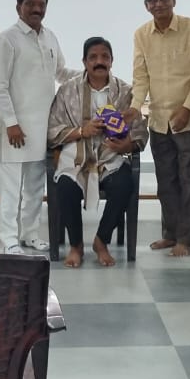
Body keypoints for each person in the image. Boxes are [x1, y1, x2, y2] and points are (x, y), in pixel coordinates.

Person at [127, 0, 190, 258]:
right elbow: (141, 77)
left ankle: (185, 240)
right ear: (146, 6)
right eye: (153, 0)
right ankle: (170, 234)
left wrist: (188, 107)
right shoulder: (142, 34)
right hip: (158, 120)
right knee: (166, 181)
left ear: (174, 0)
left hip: (187, 120)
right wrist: (136, 106)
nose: (159, 4)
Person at [48, 37, 148, 268]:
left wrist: (128, 146)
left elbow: (140, 131)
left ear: (112, 61)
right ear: (84, 61)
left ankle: (101, 241)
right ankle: (76, 245)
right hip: (76, 156)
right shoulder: (67, 90)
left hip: (109, 157)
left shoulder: (125, 92)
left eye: (104, 56)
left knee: (124, 185)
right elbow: (53, 129)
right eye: (93, 57)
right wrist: (82, 130)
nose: (99, 62)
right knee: (65, 187)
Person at [0, 0, 75, 254]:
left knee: (35, 189)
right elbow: (0, 86)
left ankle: (29, 235)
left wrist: (92, 74)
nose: (36, 9)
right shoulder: (7, 39)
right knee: (11, 190)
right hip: (14, 130)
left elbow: (61, 73)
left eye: (41, 4)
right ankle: (9, 239)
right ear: (19, 6)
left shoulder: (50, 36)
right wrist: (12, 124)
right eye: (31, 4)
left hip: (43, 128)